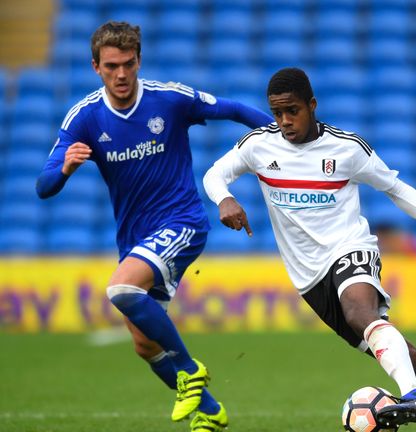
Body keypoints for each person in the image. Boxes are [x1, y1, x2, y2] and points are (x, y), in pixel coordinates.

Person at [203, 67, 416, 431]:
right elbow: (214, 174)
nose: (284, 121)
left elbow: (395, 187)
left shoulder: (347, 148)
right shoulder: (259, 145)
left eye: (292, 111)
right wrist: (225, 199)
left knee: (359, 310)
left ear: (312, 105)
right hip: (309, 278)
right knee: (412, 360)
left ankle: (412, 398)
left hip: (350, 249)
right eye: (277, 113)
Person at [36, 21, 273, 432]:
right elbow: (44, 185)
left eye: (128, 64)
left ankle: (189, 371)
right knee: (145, 345)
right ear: (96, 67)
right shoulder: (85, 117)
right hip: (135, 238)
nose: (122, 74)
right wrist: (67, 169)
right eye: (111, 66)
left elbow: (231, 109)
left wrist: (279, 135)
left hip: (181, 220)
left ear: (139, 60)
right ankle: (211, 412)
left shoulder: (169, 99)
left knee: (120, 288)